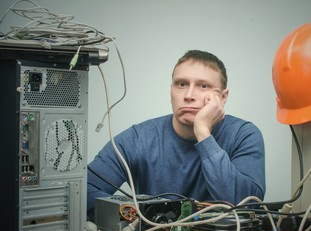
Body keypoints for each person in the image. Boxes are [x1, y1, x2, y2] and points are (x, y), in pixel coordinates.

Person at [87, 50, 266, 218]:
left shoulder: (243, 135)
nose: (188, 95)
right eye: (181, 84)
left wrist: (203, 133)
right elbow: (84, 192)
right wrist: (138, 219)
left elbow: (248, 205)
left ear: (223, 97)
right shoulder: (138, 138)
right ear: (171, 90)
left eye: (203, 86)